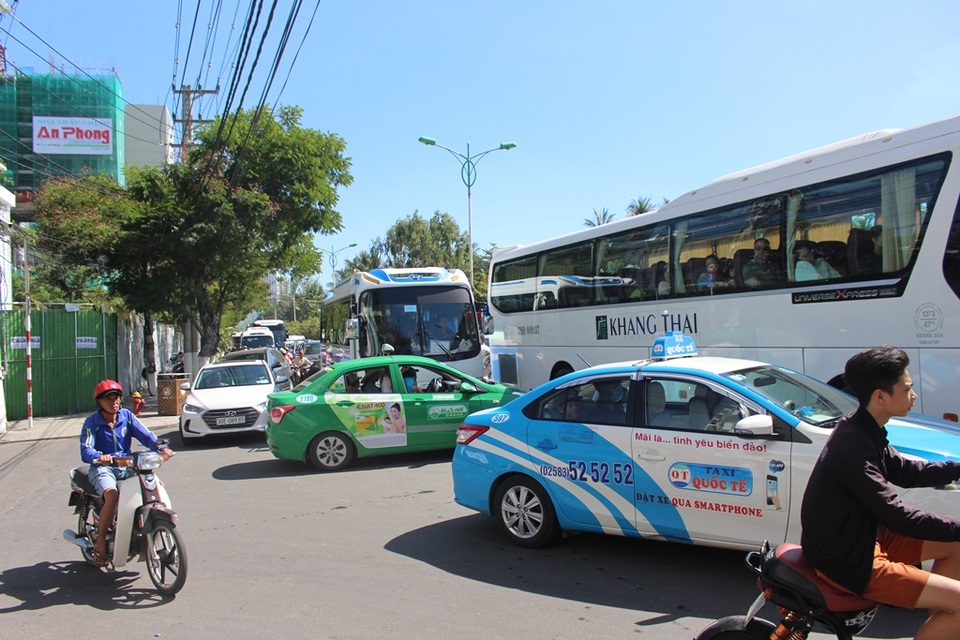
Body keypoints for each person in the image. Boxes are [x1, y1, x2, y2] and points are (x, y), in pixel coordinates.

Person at [800, 346, 960, 639]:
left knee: (955, 545)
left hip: (861, 537)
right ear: (880, 397)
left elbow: (907, 471)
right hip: (851, 560)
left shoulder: (862, 428)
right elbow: (894, 514)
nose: (914, 395)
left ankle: (945, 626)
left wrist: (957, 469)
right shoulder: (854, 445)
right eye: (907, 389)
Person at [80, 380, 174, 566]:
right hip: (103, 468)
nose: (113, 402)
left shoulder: (127, 417)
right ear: (99, 402)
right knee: (112, 496)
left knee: (156, 485)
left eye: (116, 398)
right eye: (108, 399)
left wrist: (161, 447)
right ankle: (100, 543)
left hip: (128, 465)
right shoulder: (92, 422)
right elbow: (86, 448)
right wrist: (99, 457)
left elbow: (146, 435)